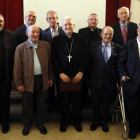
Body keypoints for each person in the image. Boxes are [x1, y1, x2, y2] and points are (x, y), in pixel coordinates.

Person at [14, 25, 54, 136]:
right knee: (27, 105)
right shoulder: (20, 48)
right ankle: (27, 125)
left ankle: (40, 124)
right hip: (27, 81)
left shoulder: (46, 46)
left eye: (37, 32)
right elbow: (17, 68)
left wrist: (50, 77)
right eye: (32, 32)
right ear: (27, 33)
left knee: (41, 104)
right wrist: (18, 83)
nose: (35, 34)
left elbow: (49, 63)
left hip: (42, 79)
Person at [51, 16, 87, 132]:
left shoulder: (81, 38)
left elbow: (87, 56)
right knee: (63, 101)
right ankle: (64, 121)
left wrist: (81, 71)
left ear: (74, 25)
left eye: (70, 24)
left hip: (77, 75)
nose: (68, 27)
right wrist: (60, 73)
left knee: (77, 100)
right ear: (62, 26)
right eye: (65, 25)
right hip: (63, 76)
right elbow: (53, 58)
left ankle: (77, 121)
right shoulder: (56, 40)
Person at [87, 26, 121, 133]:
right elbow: (89, 64)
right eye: (106, 34)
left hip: (109, 81)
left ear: (112, 35)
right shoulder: (93, 46)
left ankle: (105, 122)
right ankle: (95, 121)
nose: (108, 36)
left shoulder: (118, 48)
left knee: (106, 103)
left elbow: (118, 65)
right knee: (96, 103)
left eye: (110, 34)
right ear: (101, 34)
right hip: (95, 81)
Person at [117, 24, 140, 139]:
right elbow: (120, 63)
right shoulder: (128, 45)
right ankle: (133, 129)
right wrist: (123, 75)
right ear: (138, 31)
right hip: (132, 82)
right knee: (133, 107)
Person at [42, 10, 64, 113]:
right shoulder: (43, 33)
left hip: (62, 64)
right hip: (48, 64)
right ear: (47, 20)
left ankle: (60, 105)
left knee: (60, 85)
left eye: (54, 18)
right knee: (50, 86)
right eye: (50, 18)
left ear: (57, 19)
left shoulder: (64, 30)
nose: (52, 20)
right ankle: (50, 106)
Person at [78, 13, 102, 109]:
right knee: (84, 84)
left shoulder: (101, 31)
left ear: (98, 21)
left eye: (95, 19)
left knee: (96, 85)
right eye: (91, 19)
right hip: (85, 62)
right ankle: (84, 103)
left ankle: (95, 103)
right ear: (87, 21)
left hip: (97, 63)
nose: (93, 21)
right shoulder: (81, 31)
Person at [0, 14, 18, 133]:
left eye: (0, 21)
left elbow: (16, 57)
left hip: (4, 73)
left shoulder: (11, 37)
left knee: (5, 99)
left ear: (4, 22)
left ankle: (5, 121)